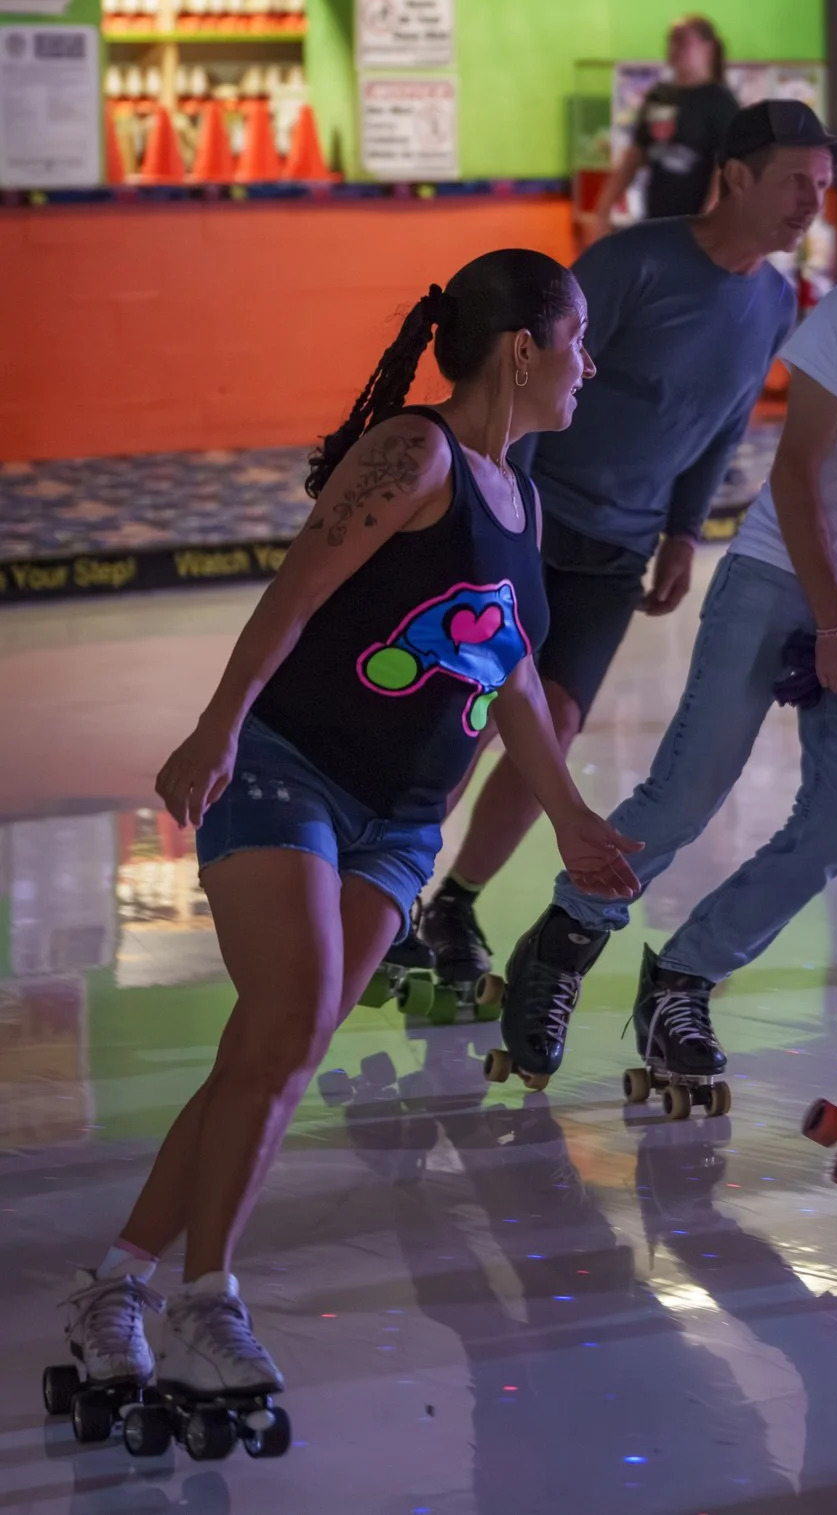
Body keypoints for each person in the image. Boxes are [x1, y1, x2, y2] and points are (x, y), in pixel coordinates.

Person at [59, 253, 638, 1429]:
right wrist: (218, 725)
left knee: (269, 1051)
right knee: (286, 1020)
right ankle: (206, 1298)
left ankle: (113, 1283)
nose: (592, 362)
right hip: (288, 771)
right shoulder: (415, 454)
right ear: (522, 348)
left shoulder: (518, 493)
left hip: (402, 820)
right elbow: (297, 590)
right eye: (580, 337)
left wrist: (572, 815)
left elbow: (512, 673)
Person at [491, 125, 837, 1098]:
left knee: (836, 822)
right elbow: (794, 477)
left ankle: (684, 977)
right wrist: (832, 620)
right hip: (775, 574)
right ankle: (565, 936)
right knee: (687, 789)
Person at [410, 100, 837, 983]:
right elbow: (527, 377)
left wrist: (685, 530)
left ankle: (455, 903)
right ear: (733, 177)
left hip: (618, 546)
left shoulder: (773, 299)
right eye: (795, 182)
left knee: (557, 720)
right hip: (530, 518)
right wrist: (506, 509)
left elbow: (725, 425)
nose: (812, 202)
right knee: (466, 715)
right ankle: (393, 888)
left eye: (824, 186)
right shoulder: (631, 263)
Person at [597, 14, 741, 233]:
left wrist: (709, 222)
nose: (674, 48)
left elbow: (724, 170)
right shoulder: (660, 95)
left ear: (708, 47)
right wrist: (604, 207)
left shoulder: (721, 103)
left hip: (695, 225)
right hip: (655, 220)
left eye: (682, 41)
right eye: (671, 40)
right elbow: (636, 153)